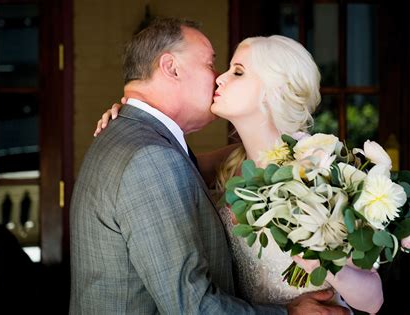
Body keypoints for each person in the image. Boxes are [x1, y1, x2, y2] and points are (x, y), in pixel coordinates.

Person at [71, 17, 349, 314]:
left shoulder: (140, 142)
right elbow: (192, 306)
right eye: (210, 64)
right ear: (171, 68)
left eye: (237, 72)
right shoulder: (150, 156)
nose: (218, 77)